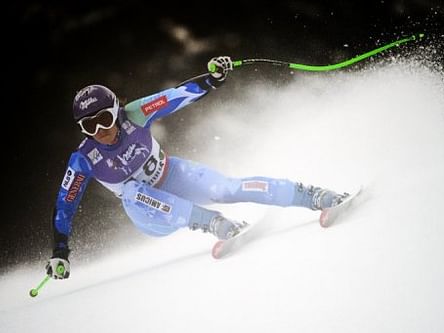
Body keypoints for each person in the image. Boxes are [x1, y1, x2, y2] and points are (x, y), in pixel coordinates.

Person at [46, 56, 348, 279]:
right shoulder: (84, 158)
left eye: (105, 119)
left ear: (116, 111)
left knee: (227, 188)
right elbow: (65, 206)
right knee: (131, 192)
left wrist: (212, 78)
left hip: (173, 176)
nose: (100, 129)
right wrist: (60, 252)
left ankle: (315, 196)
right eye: (89, 125)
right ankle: (213, 223)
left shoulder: (135, 114)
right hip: (149, 214)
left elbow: (176, 96)